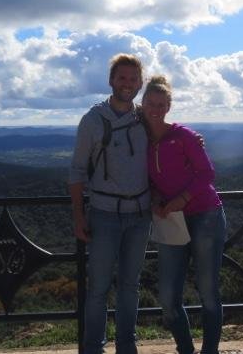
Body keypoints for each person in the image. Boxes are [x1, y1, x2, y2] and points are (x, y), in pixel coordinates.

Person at [68, 53, 152, 354]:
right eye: (122, 77)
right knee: (99, 288)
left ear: (140, 83)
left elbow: (170, 138)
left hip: (140, 215)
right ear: (111, 81)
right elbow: (77, 171)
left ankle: (126, 346)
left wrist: (194, 139)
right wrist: (79, 217)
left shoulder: (145, 118)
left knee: (130, 286)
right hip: (103, 215)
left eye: (133, 79)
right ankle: (94, 348)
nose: (127, 83)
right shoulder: (93, 120)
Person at [142, 75, 226, 354]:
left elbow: (207, 173)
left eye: (161, 104)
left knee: (208, 291)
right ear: (142, 104)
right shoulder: (139, 137)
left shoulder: (184, 136)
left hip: (205, 214)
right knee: (168, 297)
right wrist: (157, 198)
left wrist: (181, 199)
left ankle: (210, 350)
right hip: (171, 218)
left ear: (168, 106)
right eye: (151, 103)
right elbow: (149, 179)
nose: (155, 109)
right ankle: (186, 349)